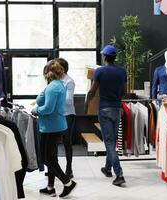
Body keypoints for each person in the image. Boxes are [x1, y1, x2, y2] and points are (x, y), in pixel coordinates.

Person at [31, 60, 77, 198]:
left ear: (48, 73)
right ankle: (50, 187)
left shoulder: (53, 87)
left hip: (52, 127)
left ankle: (67, 183)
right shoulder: (58, 85)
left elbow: (48, 108)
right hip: (53, 126)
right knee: (51, 157)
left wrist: (36, 110)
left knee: (47, 158)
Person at [85, 44, 127, 186]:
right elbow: (124, 92)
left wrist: (86, 104)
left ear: (105, 57)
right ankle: (107, 169)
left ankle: (119, 174)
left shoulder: (100, 71)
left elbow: (92, 91)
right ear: (114, 58)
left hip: (104, 109)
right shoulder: (122, 72)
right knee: (112, 141)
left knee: (109, 142)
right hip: (117, 109)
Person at [56, 58, 76, 179]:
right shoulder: (56, 80)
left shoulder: (69, 81)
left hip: (68, 114)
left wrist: (55, 97)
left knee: (67, 142)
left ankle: (69, 169)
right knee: (54, 143)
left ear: (62, 69)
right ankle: (55, 168)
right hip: (58, 114)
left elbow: (68, 101)